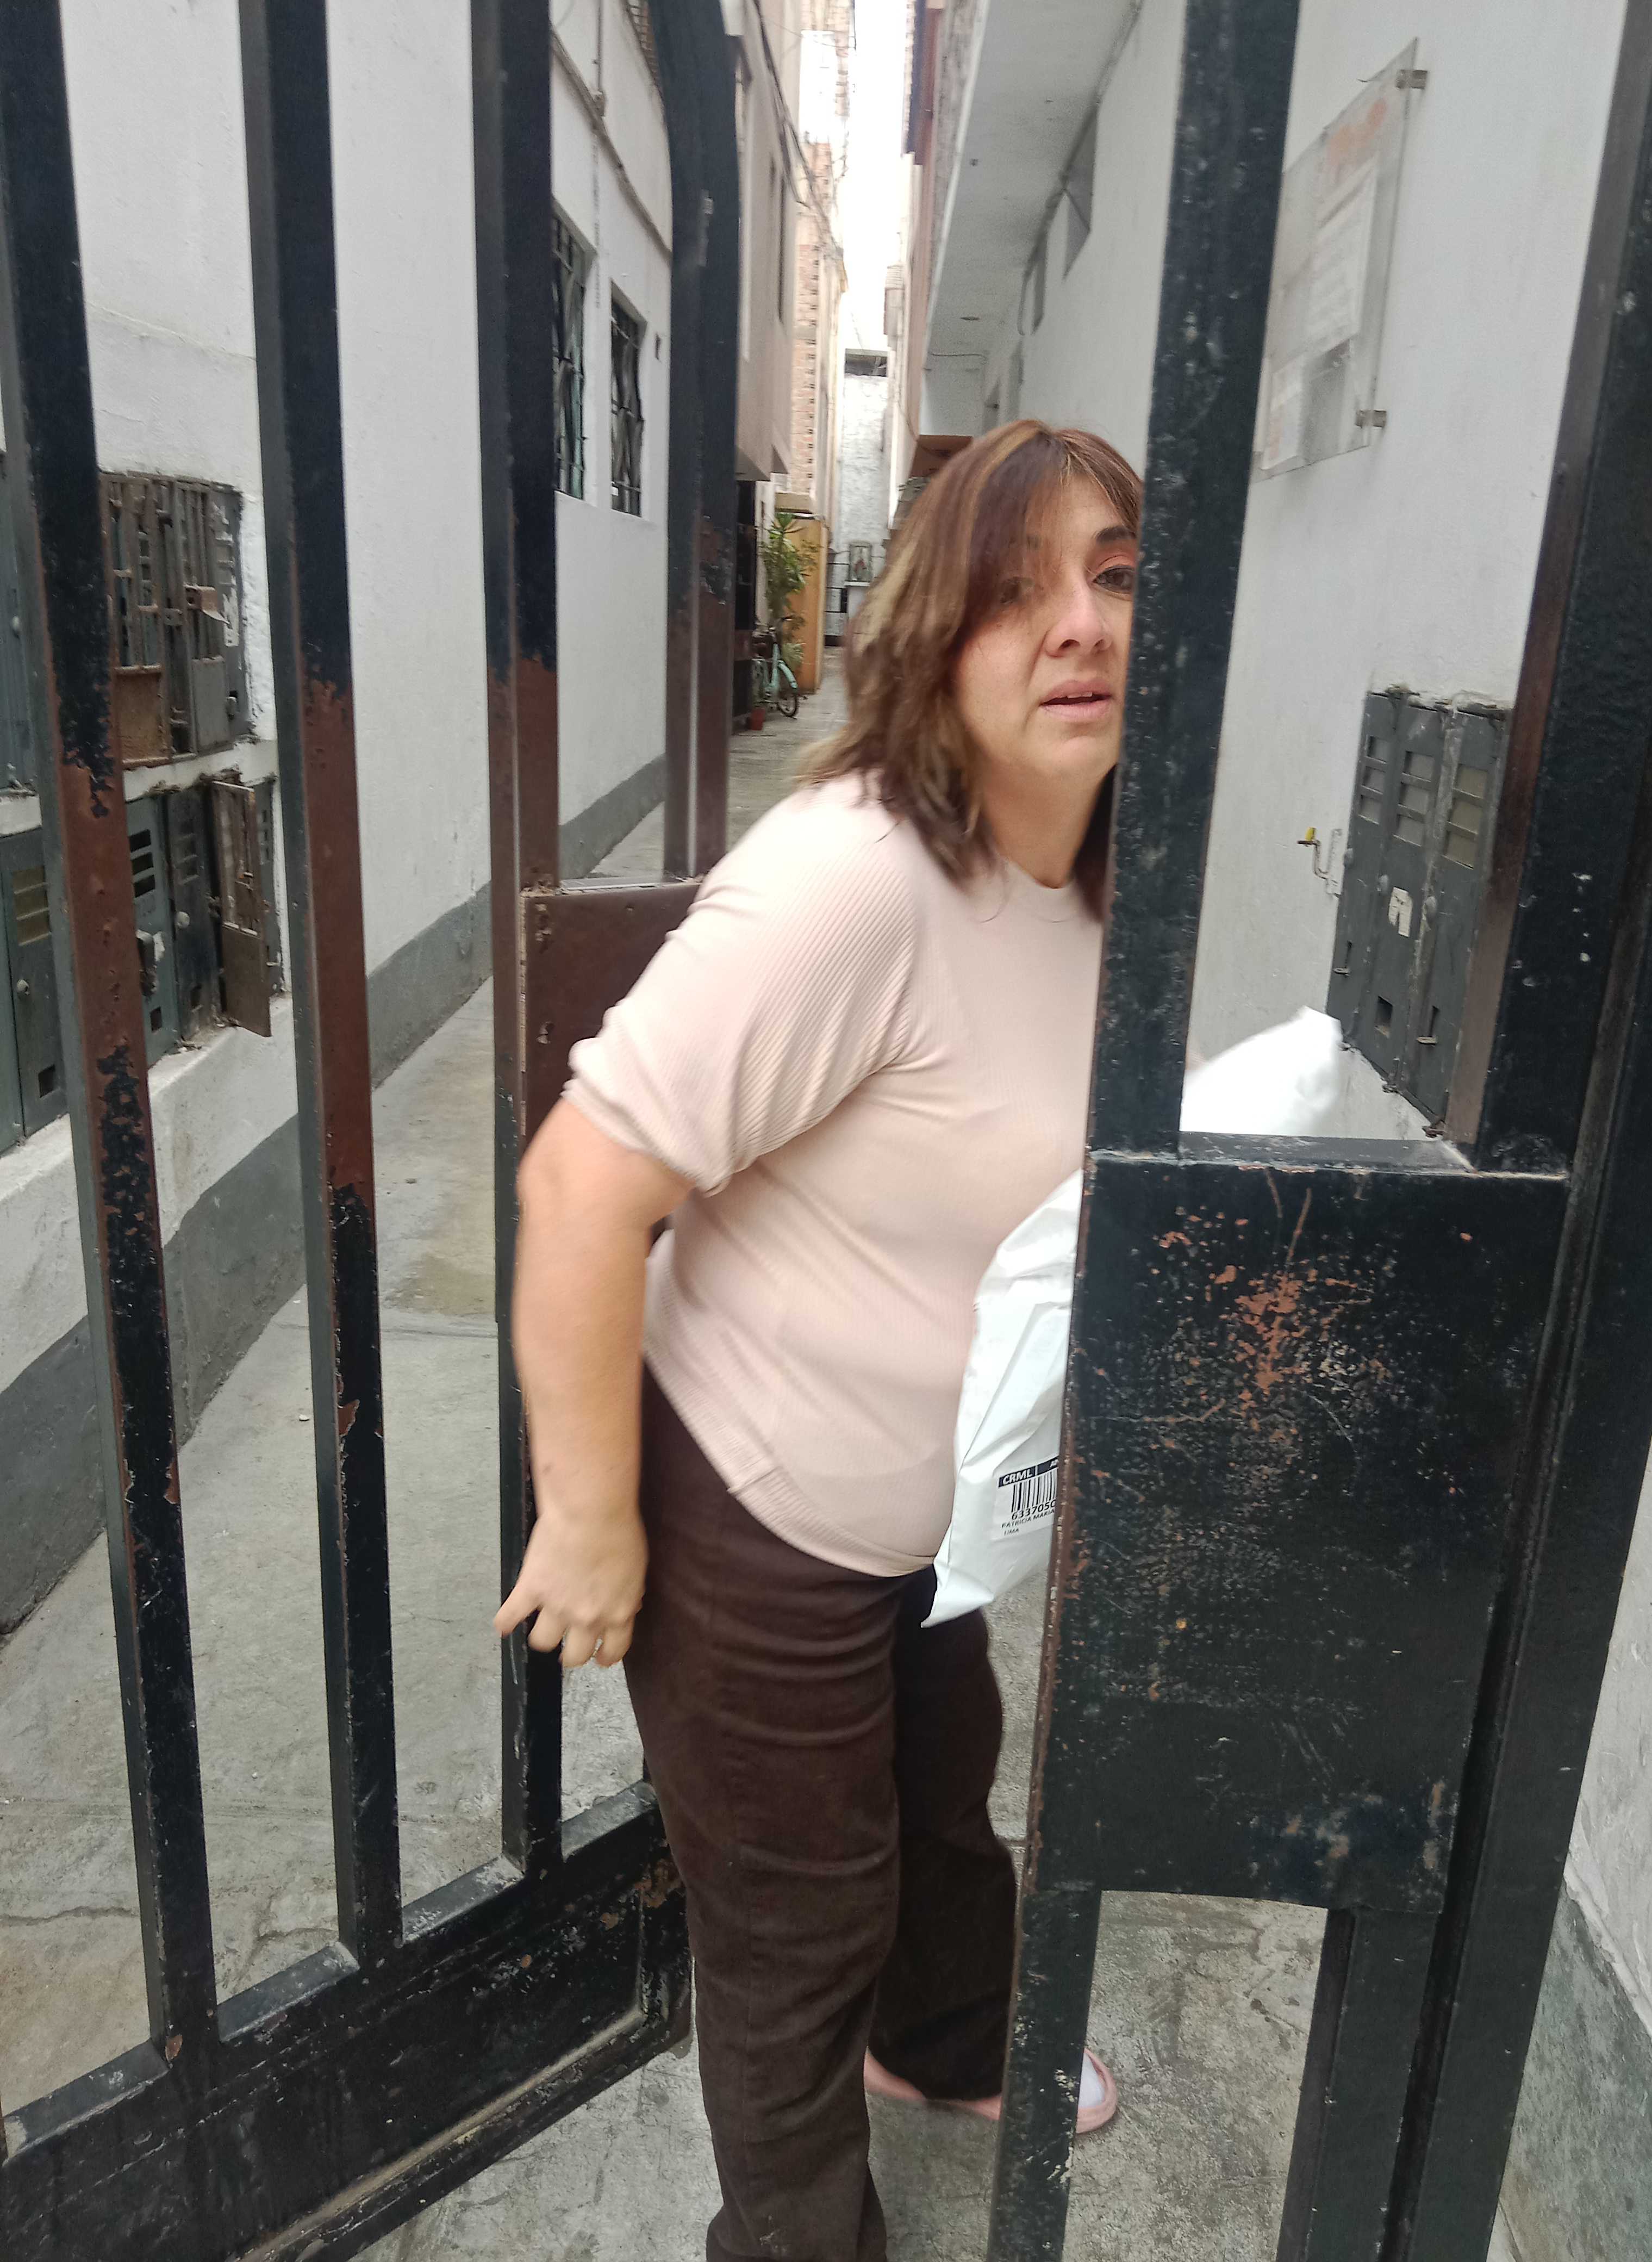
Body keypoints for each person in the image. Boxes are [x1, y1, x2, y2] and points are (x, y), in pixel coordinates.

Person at [496, 419, 1142, 2261]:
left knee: (940, 1800)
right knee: (797, 1914)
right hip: (757, 1506)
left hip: (930, 1510)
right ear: (933, 631)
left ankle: (943, 2047)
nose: (1080, 623)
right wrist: (592, 1519)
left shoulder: (1115, 876)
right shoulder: (856, 882)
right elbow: (578, 1185)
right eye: (1017, 589)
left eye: (1118, 577)